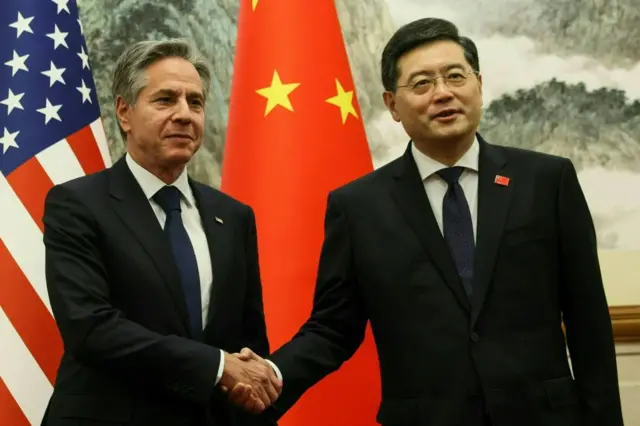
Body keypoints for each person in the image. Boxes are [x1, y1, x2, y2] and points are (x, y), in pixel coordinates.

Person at [231, 17, 624, 426]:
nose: (443, 93)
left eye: (455, 76)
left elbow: (587, 320)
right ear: (392, 105)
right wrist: (272, 377)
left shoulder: (547, 181)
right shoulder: (360, 206)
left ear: (479, 85)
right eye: (421, 84)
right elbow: (333, 328)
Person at [41, 39, 281, 426]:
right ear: (124, 112)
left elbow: (248, 341)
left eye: (196, 102)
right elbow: (91, 328)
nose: (185, 114)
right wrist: (217, 366)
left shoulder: (233, 216)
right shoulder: (77, 205)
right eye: (166, 100)